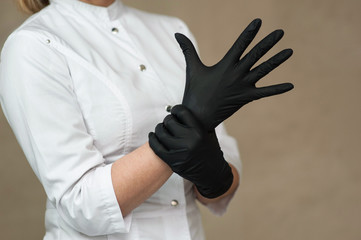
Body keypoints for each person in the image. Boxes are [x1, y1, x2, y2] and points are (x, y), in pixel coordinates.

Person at [0, 0, 293, 239]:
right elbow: (81, 205)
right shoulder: (35, 45)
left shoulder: (171, 30)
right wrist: (177, 139)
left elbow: (222, 191)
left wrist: (214, 173)